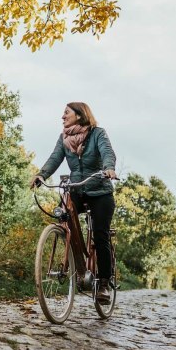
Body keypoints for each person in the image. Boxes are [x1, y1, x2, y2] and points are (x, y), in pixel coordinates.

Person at [31, 102, 118, 303]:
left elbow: (107, 152)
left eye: (66, 113)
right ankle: (75, 263)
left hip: (100, 191)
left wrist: (109, 168)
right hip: (77, 189)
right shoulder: (64, 138)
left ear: (79, 115)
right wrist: (41, 175)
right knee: (63, 215)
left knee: (100, 234)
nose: (62, 117)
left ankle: (104, 283)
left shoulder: (98, 133)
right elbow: (55, 158)